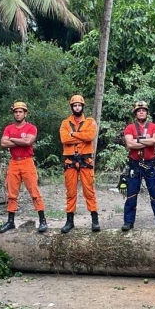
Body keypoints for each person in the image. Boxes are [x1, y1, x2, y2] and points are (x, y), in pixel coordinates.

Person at [0, 101, 47, 233]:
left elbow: (28, 141)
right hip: (14, 162)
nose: (18, 114)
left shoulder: (31, 128)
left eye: (20, 112)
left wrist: (12, 139)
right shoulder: (9, 128)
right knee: (12, 193)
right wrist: (19, 141)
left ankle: (43, 220)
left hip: (27, 161)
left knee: (34, 192)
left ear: (25, 113)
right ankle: (10, 221)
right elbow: (3, 143)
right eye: (16, 112)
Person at [121, 100, 155, 231]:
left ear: (147, 112)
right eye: (139, 110)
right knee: (131, 194)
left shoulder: (154, 127)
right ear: (135, 113)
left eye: (143, 110)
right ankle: (128, 222)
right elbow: (130, 144)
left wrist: (138, 141)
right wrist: (147, 141)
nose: (141, 112)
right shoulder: (130, 128)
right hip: (134, 164)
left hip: (150, 164)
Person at [59, 95, 100, 233]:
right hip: (70, 161)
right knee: (70, 192)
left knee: (89, 191)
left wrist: (73, 134)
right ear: (72, 107)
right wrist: (79, 135)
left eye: (79, 105)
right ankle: (69, 221)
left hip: (86, 161)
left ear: (82, 106)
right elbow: (64, 139)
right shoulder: (65, 123)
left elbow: (90, 136)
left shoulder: (90, 122)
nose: (77, 107)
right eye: (75, 105)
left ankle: (95, 220)